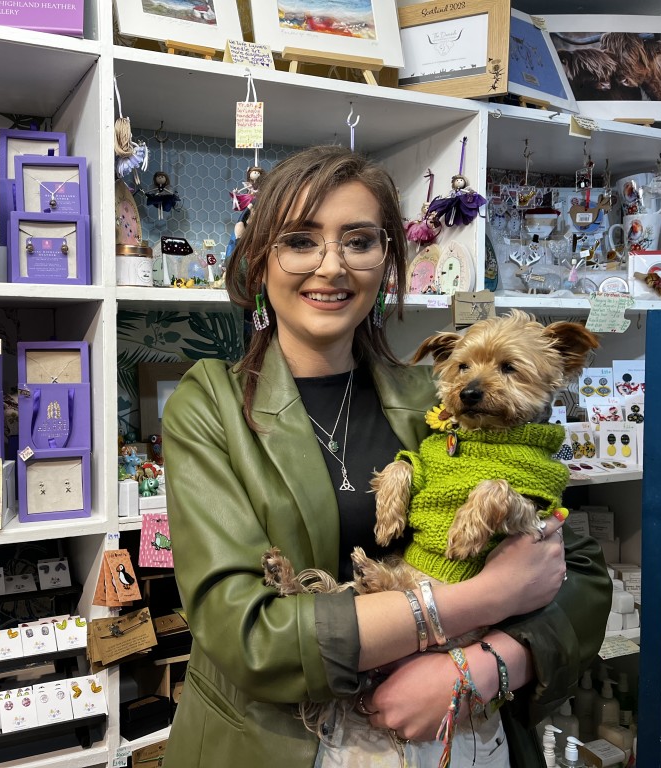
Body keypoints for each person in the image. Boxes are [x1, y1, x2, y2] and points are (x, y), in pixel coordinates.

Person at [161, 145, 612, 767]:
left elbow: (576, 567)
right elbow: (248, 637)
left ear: (387, 261)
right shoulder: (209, 405)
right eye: (299, 240)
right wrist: (473, 603)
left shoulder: (439, 397)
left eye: (359, 240)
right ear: (261, 260)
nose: (331, 266)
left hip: (448, 736)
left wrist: (478, 668)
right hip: (281, 743)